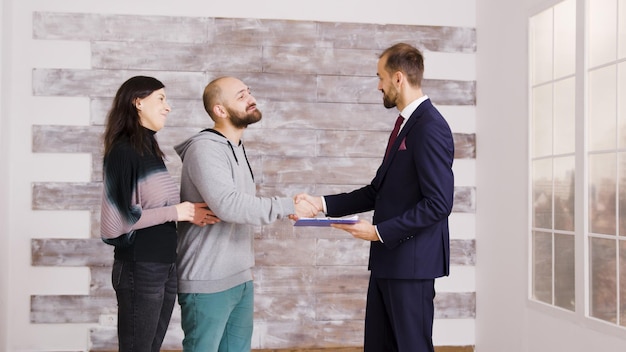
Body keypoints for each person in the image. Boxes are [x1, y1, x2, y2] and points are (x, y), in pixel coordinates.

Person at [296, 43, 455, 352]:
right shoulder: (406, 124)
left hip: (411, 265)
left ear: (398, 78)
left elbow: (439, 203)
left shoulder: (429, 126)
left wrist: (379, 232)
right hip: (388, 260)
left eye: (380, 77)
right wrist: (321, 203)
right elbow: (377, 191)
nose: (378, 86)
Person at [174, 76, 317, 352]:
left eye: (249, 92)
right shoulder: (205, 148)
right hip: (207, 280)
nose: (251, 98)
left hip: (239, 277)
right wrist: (287, 205)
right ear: (220, 110)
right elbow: (228, 204)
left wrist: (289, 209)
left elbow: (242, 206)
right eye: (241, 96)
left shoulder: (236, 146)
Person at [100, 76, 218, 352]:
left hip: (163, 264)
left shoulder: (149, 149)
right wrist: (176, 211)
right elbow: (114, 223)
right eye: (161, 99)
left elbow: (159, 210)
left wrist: (188, 213)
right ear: (138, 102)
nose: (168, 107)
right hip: (140, 267)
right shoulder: (123, 152)